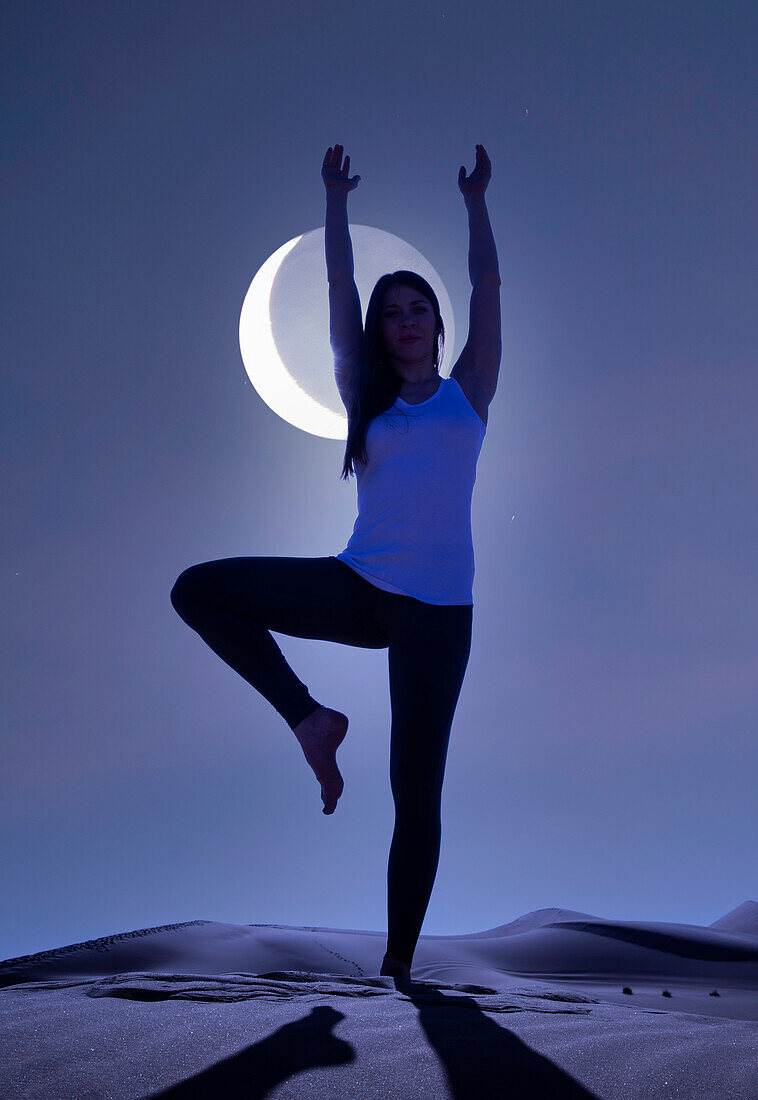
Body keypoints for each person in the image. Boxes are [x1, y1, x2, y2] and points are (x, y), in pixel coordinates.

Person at [170, 143, 501, 984]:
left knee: (415, 794)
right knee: (201, 591)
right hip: (359, 588)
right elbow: (336, 291)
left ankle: (397, 968)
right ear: (380, 332)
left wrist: (475, 205)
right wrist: (334, 202)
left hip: (439, 618)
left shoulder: (471, 390)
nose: (405, 319)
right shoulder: (364, 398)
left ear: (437, 322)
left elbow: (491, 292)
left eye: (417, 307)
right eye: (392, 312)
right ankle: (310, 719)